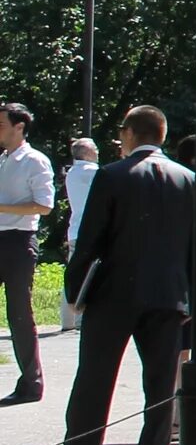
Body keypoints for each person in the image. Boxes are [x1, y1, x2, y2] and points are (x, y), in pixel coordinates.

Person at [54, 106, 193, 445]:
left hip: (114, 294)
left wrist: (76, 291)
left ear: (129, 133)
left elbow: (91, 240)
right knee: (161, 385)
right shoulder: (189, 179)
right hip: (168, 296)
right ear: (162, 134)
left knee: (94, 382)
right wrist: (190, 298)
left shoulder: (112, 175)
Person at [0, 99, 53, 403]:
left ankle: (31, 385)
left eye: (1, 124)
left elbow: (44, 206)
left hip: (19, 242)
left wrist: (2, 208)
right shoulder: (4, 159)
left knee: (19, 314)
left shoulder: (34, 160)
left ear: (19, 127)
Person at [59, 138, 98, 332]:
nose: (97, 152)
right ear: (87, 152)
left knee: (72, 273)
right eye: (95, 149)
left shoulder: (72, 172)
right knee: (89, 274)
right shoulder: (93, 172)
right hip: (90, 230)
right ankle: (82, 319)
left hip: (75, 229)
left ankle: (67, 320)